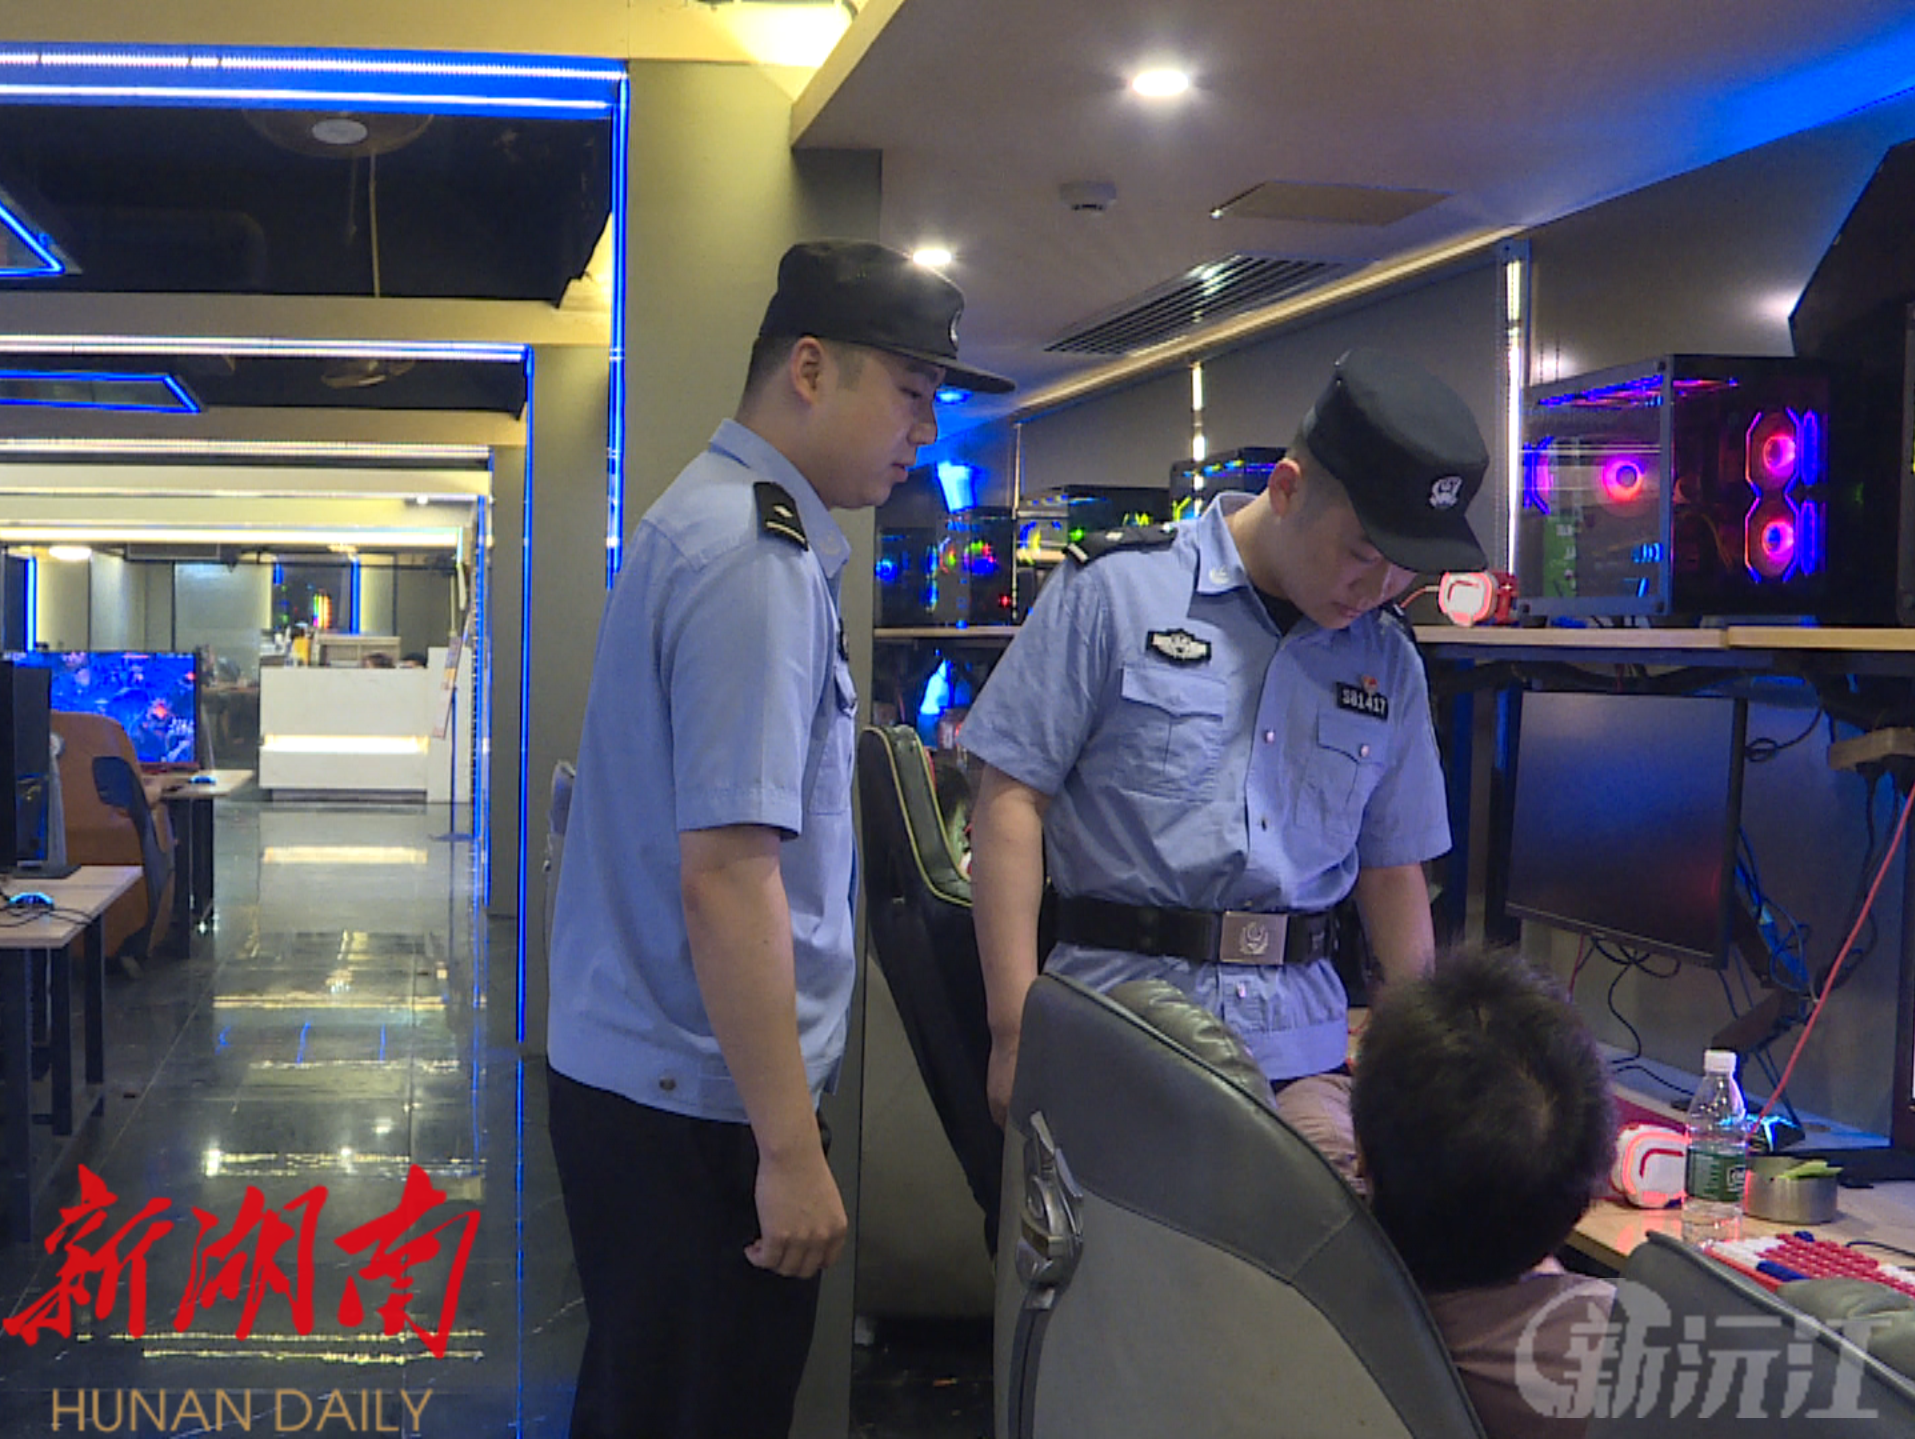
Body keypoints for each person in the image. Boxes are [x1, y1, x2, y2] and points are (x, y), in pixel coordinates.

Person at [544, 239, 1011, 1439]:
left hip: (661, 1081)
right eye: (909, 390)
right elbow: (728, 876)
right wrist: (791, 1152)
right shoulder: (753, 560)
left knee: (649, 1397)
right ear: (809, 368)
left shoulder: (722, 524)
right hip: (694, 1103)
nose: (924, 431)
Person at [963, 347, 1489, 1120]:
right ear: (1286, 489)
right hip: (1119, 1032)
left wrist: (1420, 1061)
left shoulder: (1387, 661)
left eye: (1403, 567)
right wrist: (1013, 1033)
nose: (1379, 587)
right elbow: (1010, 800)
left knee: (1343, 1196)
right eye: (1362, 553)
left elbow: (1390, 870)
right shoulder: (1115, 593)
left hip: (1298, 1054)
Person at [1274, 949, 1617, 1439]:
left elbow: (1311, 1098)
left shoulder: (1311, 1224)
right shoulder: (1596, 1347)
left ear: (1364, 1155)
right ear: (1579, 1207)